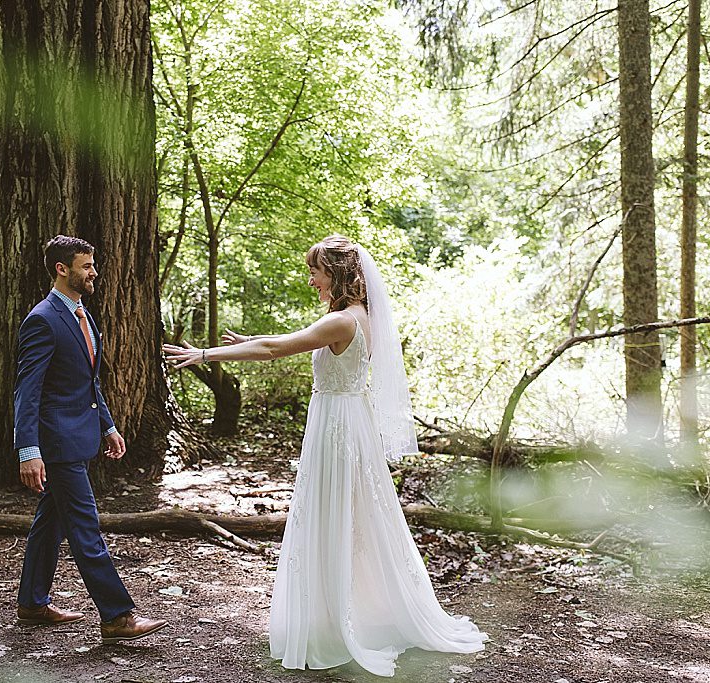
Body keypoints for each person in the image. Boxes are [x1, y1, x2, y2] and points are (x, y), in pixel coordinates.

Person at [163, 235, 486, 676]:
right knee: (352, 517)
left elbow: (276, 349)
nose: (312, 279)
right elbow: (284, 340)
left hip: (337, 428)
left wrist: (204, 353)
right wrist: (252, 338)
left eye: (316, 270)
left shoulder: (342, 323)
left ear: (337, 274)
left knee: (336, 516)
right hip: (347, 421)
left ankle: (340, 622)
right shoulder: (358, 318)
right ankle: (349, 611)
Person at [14, 235, 167, 644]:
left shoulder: (82, 313)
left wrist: (109, 426)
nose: (93, 272)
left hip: (80, 435)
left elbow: (87, 380)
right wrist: (28, 450)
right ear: (62, 269)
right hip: (57, 444)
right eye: (86, 266)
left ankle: (31, 604)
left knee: (51, 523)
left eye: (92, 265)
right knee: (86, 528)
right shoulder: (43, 319)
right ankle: (117, 616)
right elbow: (27, 391)